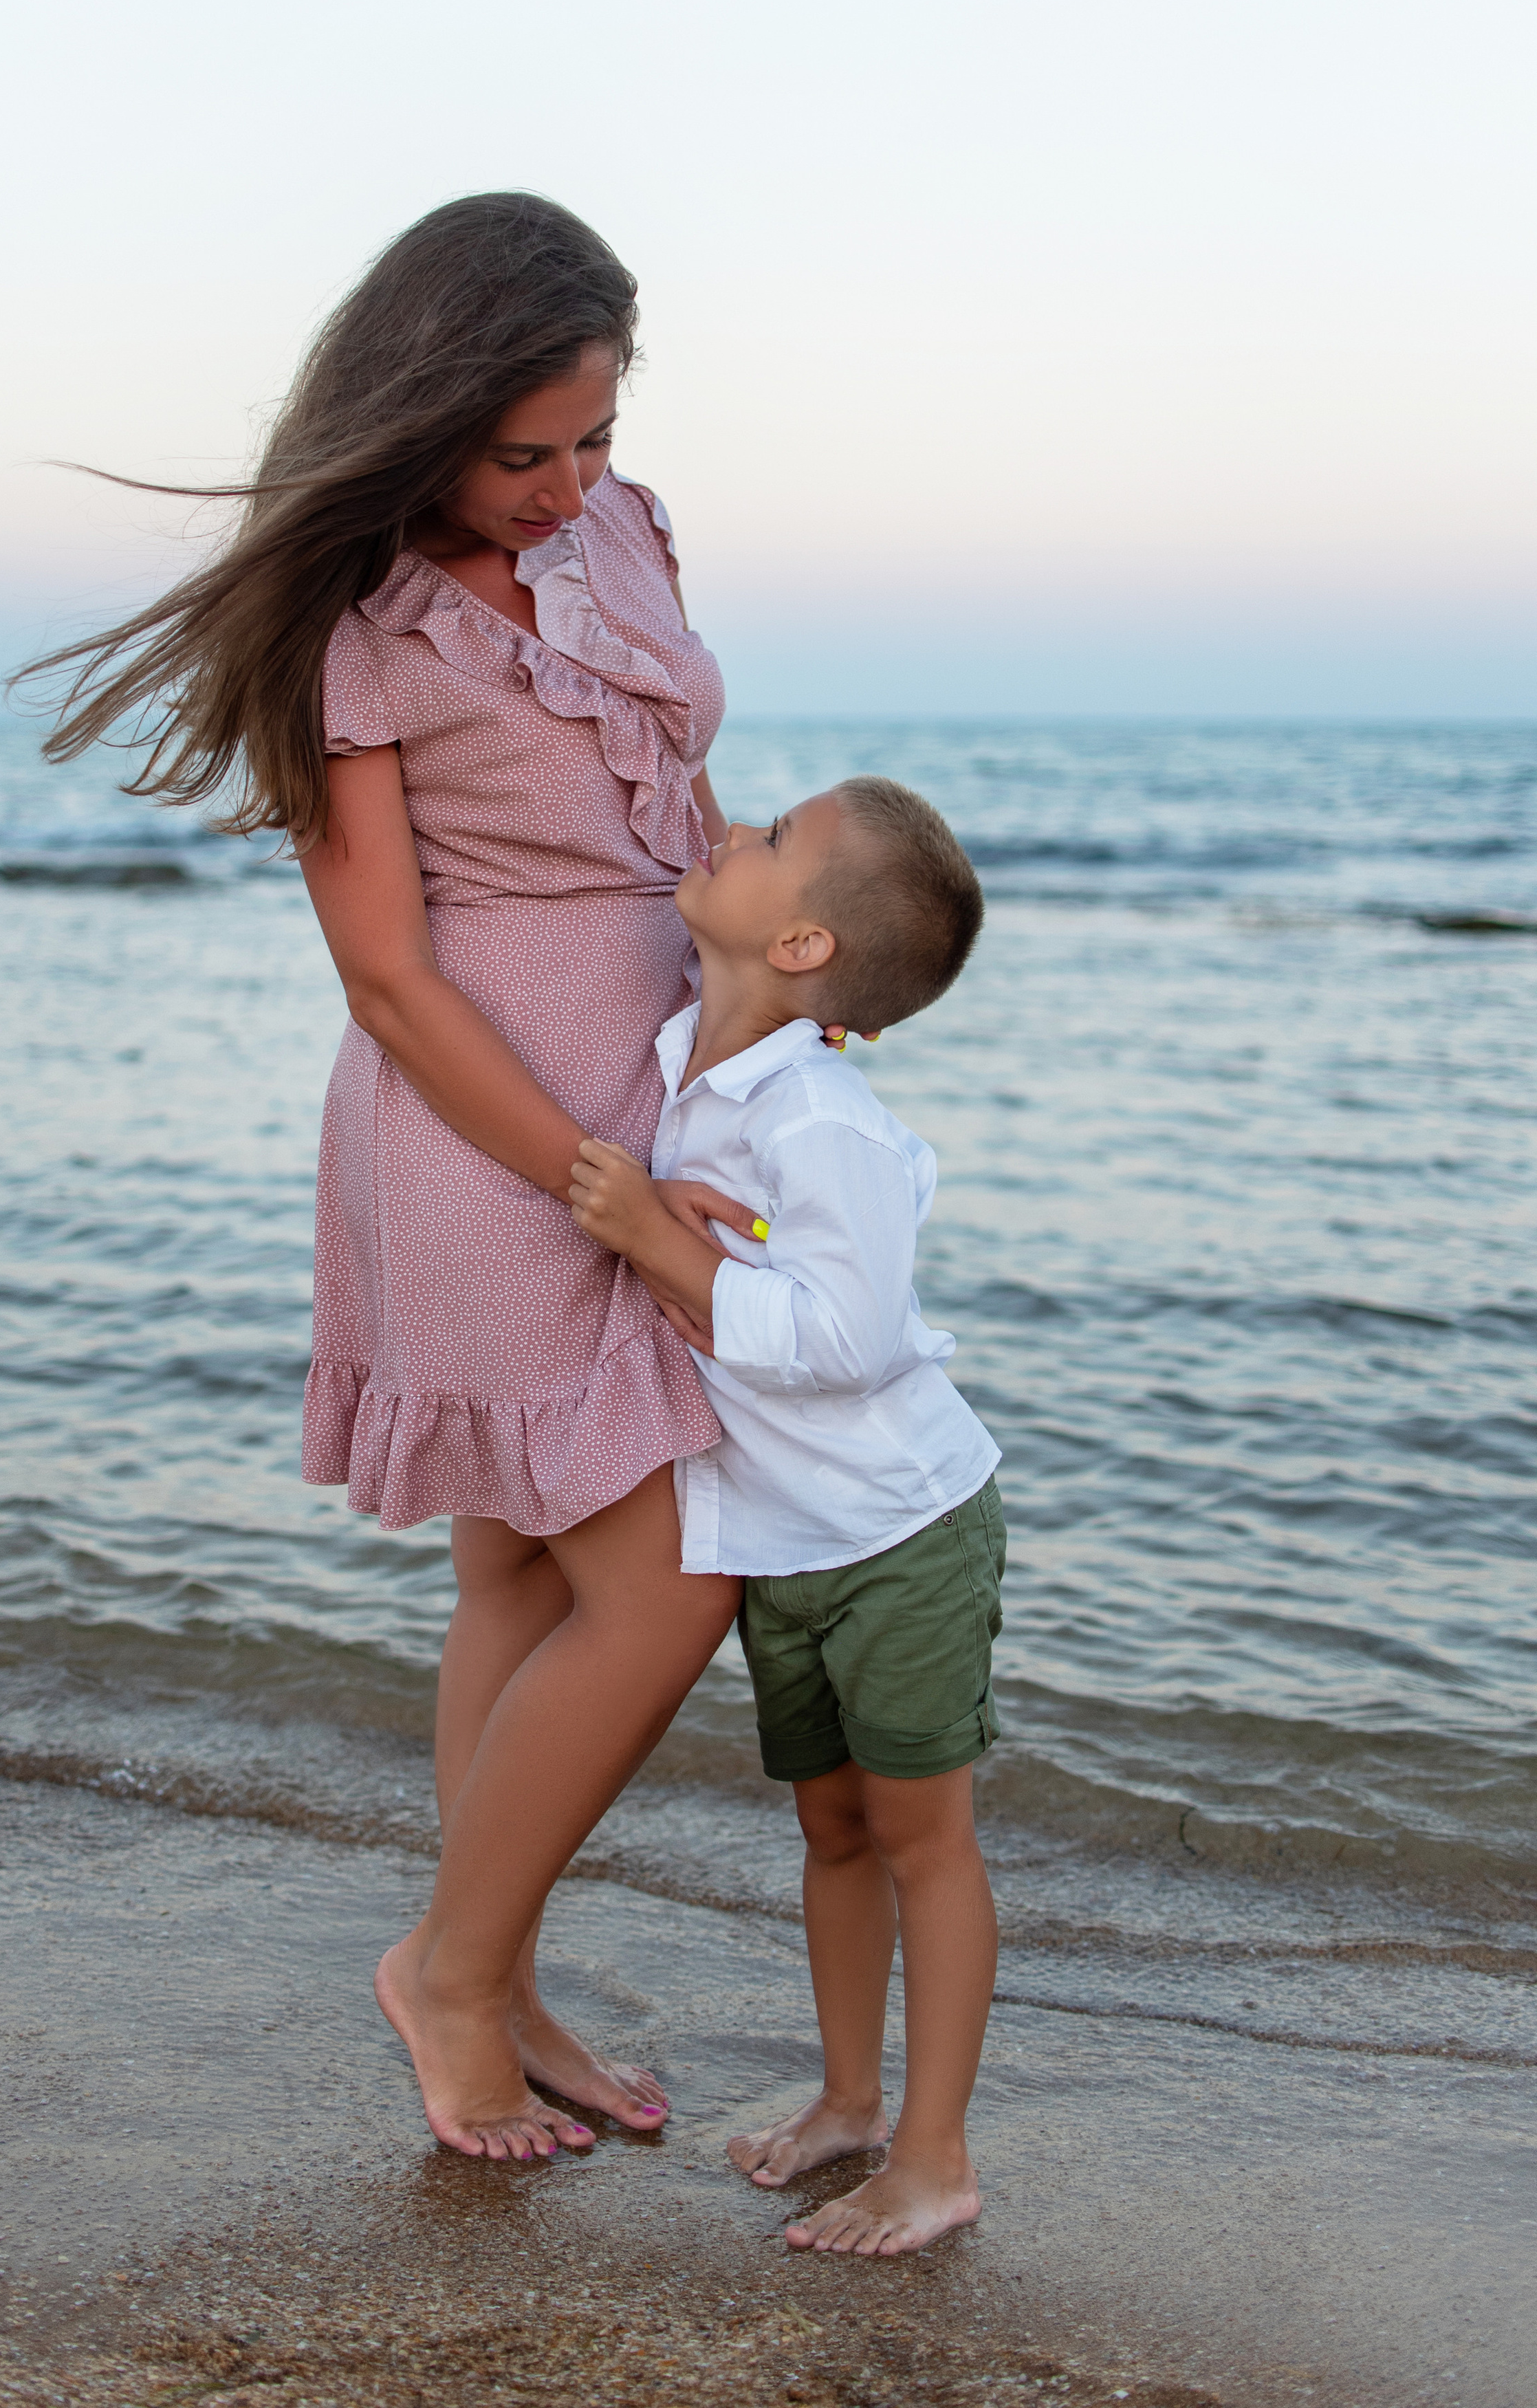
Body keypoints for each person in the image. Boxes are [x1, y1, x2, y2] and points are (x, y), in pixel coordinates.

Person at [17, 193, 756, 2163]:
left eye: (594, 436)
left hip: (660, 1093)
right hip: (480, 1135)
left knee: (517, 1570)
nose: (569, 483)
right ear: (420, 411)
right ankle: (447, 1962)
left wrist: (783, 989)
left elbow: (671, 809)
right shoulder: (357, 629)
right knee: (675, 1572)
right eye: (526, 452)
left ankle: (499, 1980)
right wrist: (606, 1181)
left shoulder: (625, 529)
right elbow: (390, 976)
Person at [567, 776, 1005, 2257]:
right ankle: (848, 2101)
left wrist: (648, 1239)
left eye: (767, 840)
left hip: (897, 1525)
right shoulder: (692, 1055)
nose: (731, 825)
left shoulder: (821, 1114)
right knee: (829, 1828)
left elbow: (846, 1342)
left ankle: (934, 2156)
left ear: (806, 942)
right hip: (785, 1536)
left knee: (919, 1834)